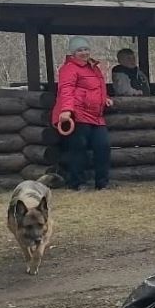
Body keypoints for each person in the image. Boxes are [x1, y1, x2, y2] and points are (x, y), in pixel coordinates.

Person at [51, 36, 114, 191]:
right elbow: (66, 90)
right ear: (73, 53)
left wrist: (104, 98)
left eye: (86, 49)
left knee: (103, 146)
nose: (84, 52)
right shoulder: (68, 69)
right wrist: (66, 110)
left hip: (96, 116)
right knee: (78, 149)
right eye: (80, 50)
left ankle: (102, 183)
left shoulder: (94, 67)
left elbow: (96, 88)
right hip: (78, 114)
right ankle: (77, 183)